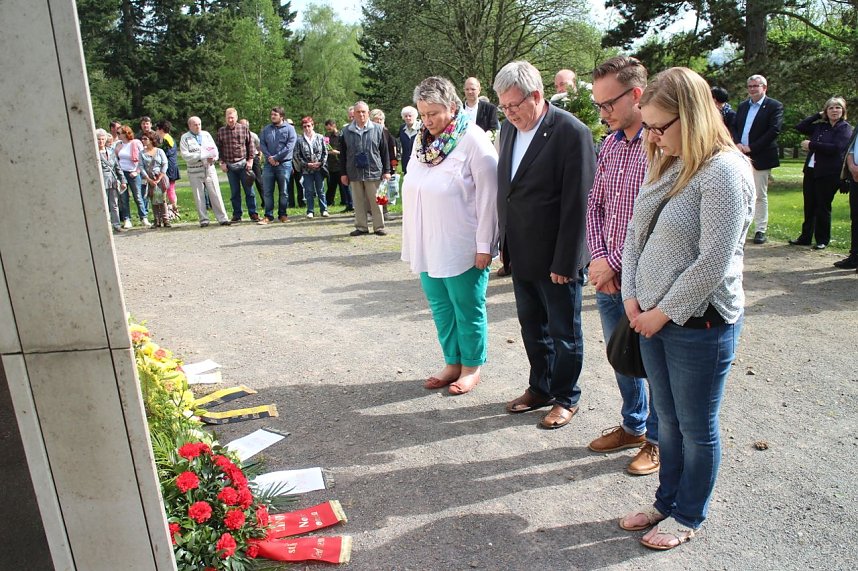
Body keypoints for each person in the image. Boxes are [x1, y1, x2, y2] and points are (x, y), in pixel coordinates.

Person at [619, 66, 754, 550]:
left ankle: (689, 513)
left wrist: (661, 313)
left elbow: (713, 261)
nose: (651, 136)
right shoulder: (669, 161)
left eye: (659, 126)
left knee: (696, 427)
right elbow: (636, 236)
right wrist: (631, 296)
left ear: (692, 116)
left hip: (700, 323)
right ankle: (667, 500)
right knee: (667, 422)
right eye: (648, 125)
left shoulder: (724, 170)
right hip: (651, 316)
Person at [493, 60, 596, 429]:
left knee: (563, 332)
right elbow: (508, 189)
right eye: (503, 106)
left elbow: (578, 202)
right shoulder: (507, 129)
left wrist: (567, 261)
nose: (509, 113)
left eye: (514, 105)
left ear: (536, 96)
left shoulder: (571, 132)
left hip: (557, 255)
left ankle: (567, 397)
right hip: (520, 251)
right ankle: (540, 387)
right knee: (531, 327)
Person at [401, 76, 499, 396]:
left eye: (433, 113)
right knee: (441, 305)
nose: (427, 121)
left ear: (453, 107)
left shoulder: (473, 139)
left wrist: (485, 245)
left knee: (466, 305)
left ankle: (471, 366)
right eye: (423, 114)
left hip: (463, 241)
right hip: (428, 241)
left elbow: (489, 196)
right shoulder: (422, 141)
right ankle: (452, 361)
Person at [585, 55, 659, 475]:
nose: (603, 112)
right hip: (608, 277)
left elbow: (653, 219)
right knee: (621, 356)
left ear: (636, 95)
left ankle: (658, 440)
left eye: (608, 103)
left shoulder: (661, 143)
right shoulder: (610, 145)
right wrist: (599, 260)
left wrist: (612, 263)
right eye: (597, 105)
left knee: (657, 366)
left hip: (646, 280)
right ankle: (633, 425)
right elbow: (594, 205)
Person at [789, 97, 853, 250]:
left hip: (829, 172)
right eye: (830, 108)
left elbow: (836, 148)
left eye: (838, 107)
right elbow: (800, 126)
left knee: (822, 206)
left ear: (843, 111)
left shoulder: (844, 128)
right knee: (809, 204)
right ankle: (805, 237)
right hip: (811, 170)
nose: (834, 111)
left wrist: (812, 144)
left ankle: (822, 239)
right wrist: (818, 115)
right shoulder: (820, 126)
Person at [732, 74, 784, 245]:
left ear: (764, 87)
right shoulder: (742, 106)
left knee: (759, 195)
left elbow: (773, 130)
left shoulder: (774, 106)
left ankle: (760, 229)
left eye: (756, 86)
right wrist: (738, 143)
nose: (753, 89)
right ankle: (741, 227)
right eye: (750, 86)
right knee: (740, 193)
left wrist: (751, 147)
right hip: (740, 155)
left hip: (760, 156)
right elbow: (735, 127)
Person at [340, 101, 391, 236]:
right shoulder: (346, 131)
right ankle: (361, 227)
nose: (361, 114)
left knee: (377, 201)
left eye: (364, 112)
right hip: (354, 171)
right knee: (358, 201)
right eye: (358, 112)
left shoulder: (378, 129)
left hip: (374, 170)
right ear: (353, 114)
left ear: (368, 113)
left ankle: (379, 226)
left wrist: (387, 171)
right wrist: (343, 173)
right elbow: (343, 155)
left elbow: (385, 152)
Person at [180, 116, 231, 227]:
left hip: (209, 168)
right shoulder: (185, 138)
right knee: (198, 195)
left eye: (199, 124)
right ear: (190, 126)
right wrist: (202, 155)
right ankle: (203, 219)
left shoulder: (206, 135)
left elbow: (215, 150)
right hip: (194, 170)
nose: (198, 126)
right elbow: (186, 155)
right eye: (195, 124)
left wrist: (214, 157)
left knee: (216, 193)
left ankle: (223, 218)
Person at [217, 107, 258, 222]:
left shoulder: (244, 129)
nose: (230, 120)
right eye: (228, 117)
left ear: (236, 117)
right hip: (230, 166)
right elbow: (219, 149)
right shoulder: (221, 131)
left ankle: (253, 213)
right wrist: (222, 162)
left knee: (249, 191)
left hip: (244, 165)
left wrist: (250, 161)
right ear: (225, 118)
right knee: (234, 192)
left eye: (232, 117)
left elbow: (251, 145)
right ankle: (237, 214)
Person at [258, 107, 297, 224]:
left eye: (275, 114)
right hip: (269, 165)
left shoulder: (290, 129)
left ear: (281, 116)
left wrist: (276, 157)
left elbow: (289, 146)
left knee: (284, 191)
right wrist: (270, 157)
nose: (273, 116)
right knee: (267, 191)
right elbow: (262, 144)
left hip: (284, 164)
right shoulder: (266, 130)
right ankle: (268, 216)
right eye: (271, 114)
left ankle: (283, 215)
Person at [115, 125, 150, 228]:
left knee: (138, 196)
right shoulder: (118, 145)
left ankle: (143, 217)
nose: (118, 135)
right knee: (123, 198)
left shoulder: (135, 143)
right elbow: (116, 158)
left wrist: (137, 171)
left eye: (119, 133)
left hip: (133, 172)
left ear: (126, 133)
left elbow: (141, 158)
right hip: (122, 173)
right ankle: (127, 219)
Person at [294, 117, 329, 219]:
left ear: (313, 126)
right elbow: (297, 155)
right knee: (308, 190)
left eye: (309, 126)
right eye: (304, 126)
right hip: (306, 169)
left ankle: (324, 209)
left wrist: (321, 163)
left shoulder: (320, 137)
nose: (307, 128)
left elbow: (325, 152)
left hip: (319, 168)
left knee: (320, 189)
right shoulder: (299, 140)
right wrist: (306, 164)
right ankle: (310, 210)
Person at [96, 127, 127, 233]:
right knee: (102, 205)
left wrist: (123, 180)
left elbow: (117, 167)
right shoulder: (93, 153)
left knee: (114, 204)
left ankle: (116, 225)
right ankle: (103, 225)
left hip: (112, 180)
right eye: (99, 139)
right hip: (100, 181)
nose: (101, 141)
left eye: (102, 139)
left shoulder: (111, 151)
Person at [139, 131, 171, 228]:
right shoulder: (142, 153)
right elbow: (141, 166)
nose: (143, 140)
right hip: (149, 177)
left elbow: (165, 164)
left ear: (151, 140)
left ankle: (166, 219)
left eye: (145, 139)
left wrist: (160, 177)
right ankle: (156, 220)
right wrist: (148, 179)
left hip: (160, 177)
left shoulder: (159, 151)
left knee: (162, 198)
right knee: (153, 199)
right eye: (142, 139)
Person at [837, 130, 858, 269]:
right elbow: (851, 149)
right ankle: (855, 256)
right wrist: (851, 166)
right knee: (856, 217)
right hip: (855, 176)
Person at [324, 119, 352, 211]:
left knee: (343, 186)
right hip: (331, 165)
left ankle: (346, 202)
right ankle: (329, 202)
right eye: (327, 129)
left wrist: (337, 152)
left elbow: (345, 151)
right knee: (331, 185)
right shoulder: (327, 137)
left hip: (340, 164)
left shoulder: (341, 135)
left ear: (334, 126)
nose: (328, 131)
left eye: (329, 128)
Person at [155, 120, 180, 220]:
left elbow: (165, 153)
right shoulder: (168, 138)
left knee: (169, 189)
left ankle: (174, 209)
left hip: (169, 167)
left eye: (157, 128)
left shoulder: (165, 139)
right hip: (171, 166)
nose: (156, 131)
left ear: (161, 129)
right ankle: (172, 208)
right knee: (170, 188)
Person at [240, 118, 265, 209]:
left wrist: (259, 156)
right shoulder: (238, 135)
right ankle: (250, 205)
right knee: (246, 182)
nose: (244, 127)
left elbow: (259, 146)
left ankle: (265, 202)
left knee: (259, 181)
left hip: (254, 159)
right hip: (243, 159)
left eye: (245, 125)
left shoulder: (253, 135)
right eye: (242, 125)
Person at [398, 106, 420, 174]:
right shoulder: (402, 128)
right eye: (405, 116)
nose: (408, 118)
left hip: (419, 161)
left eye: (410, 116)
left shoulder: (422, 128)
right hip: (406, 161)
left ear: (415, 116)